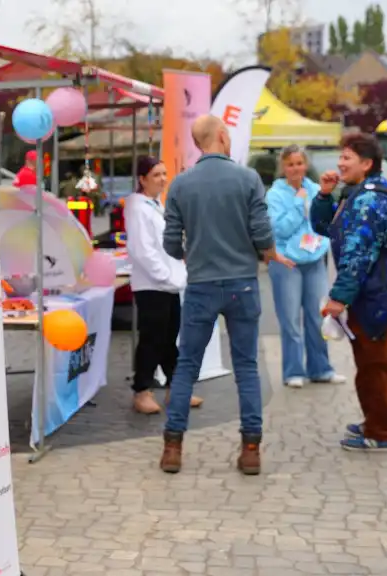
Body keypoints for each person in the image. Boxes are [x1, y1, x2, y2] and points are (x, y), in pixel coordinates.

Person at [160, 115, 293, 476]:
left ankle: (173, 447)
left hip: (201, 285)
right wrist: (268, 253)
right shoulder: (248, 178)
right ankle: (251, 449)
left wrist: (190, 253)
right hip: (242, 284)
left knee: (187, 365)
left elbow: (171, 242)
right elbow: (262, 233)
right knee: (246, 367)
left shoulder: (180, 184)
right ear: (221, 136)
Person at [310, 133, 387, 452]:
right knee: (379, 363)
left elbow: (357, 254)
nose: (340, 163)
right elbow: (327, 229)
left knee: (372, 364)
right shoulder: (358, 193)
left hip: (380, 293)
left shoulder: (368, 199)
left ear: (366, 164)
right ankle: (375, 420)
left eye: (347, 157)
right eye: (341, 156)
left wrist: (338, 298)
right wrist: (325, 197)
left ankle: (379, 432)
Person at [125, 156, 201, 415]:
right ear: (142, 179)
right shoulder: (137, 207)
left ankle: (176, 387)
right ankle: (141, 390)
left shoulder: (156, 204)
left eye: (164, 174)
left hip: (169, 283)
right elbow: (142, 250)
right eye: (156, 175)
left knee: (169, 338)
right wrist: (164, 276)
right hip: (151, 285)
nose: (162, 179)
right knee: (152, 339)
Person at [265, 146, 346, 389]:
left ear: (305, 165)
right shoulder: (275, 194)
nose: (295, 169)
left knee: (317, 317)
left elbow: (325, 220)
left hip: (314, 261)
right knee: (290, 321)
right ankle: (293, 372)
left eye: (299, 163)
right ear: (283, 167)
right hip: (287, 263)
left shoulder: (315, 189)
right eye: (290, 164)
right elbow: (279, 230)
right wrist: (299, 205)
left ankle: (321, 369)